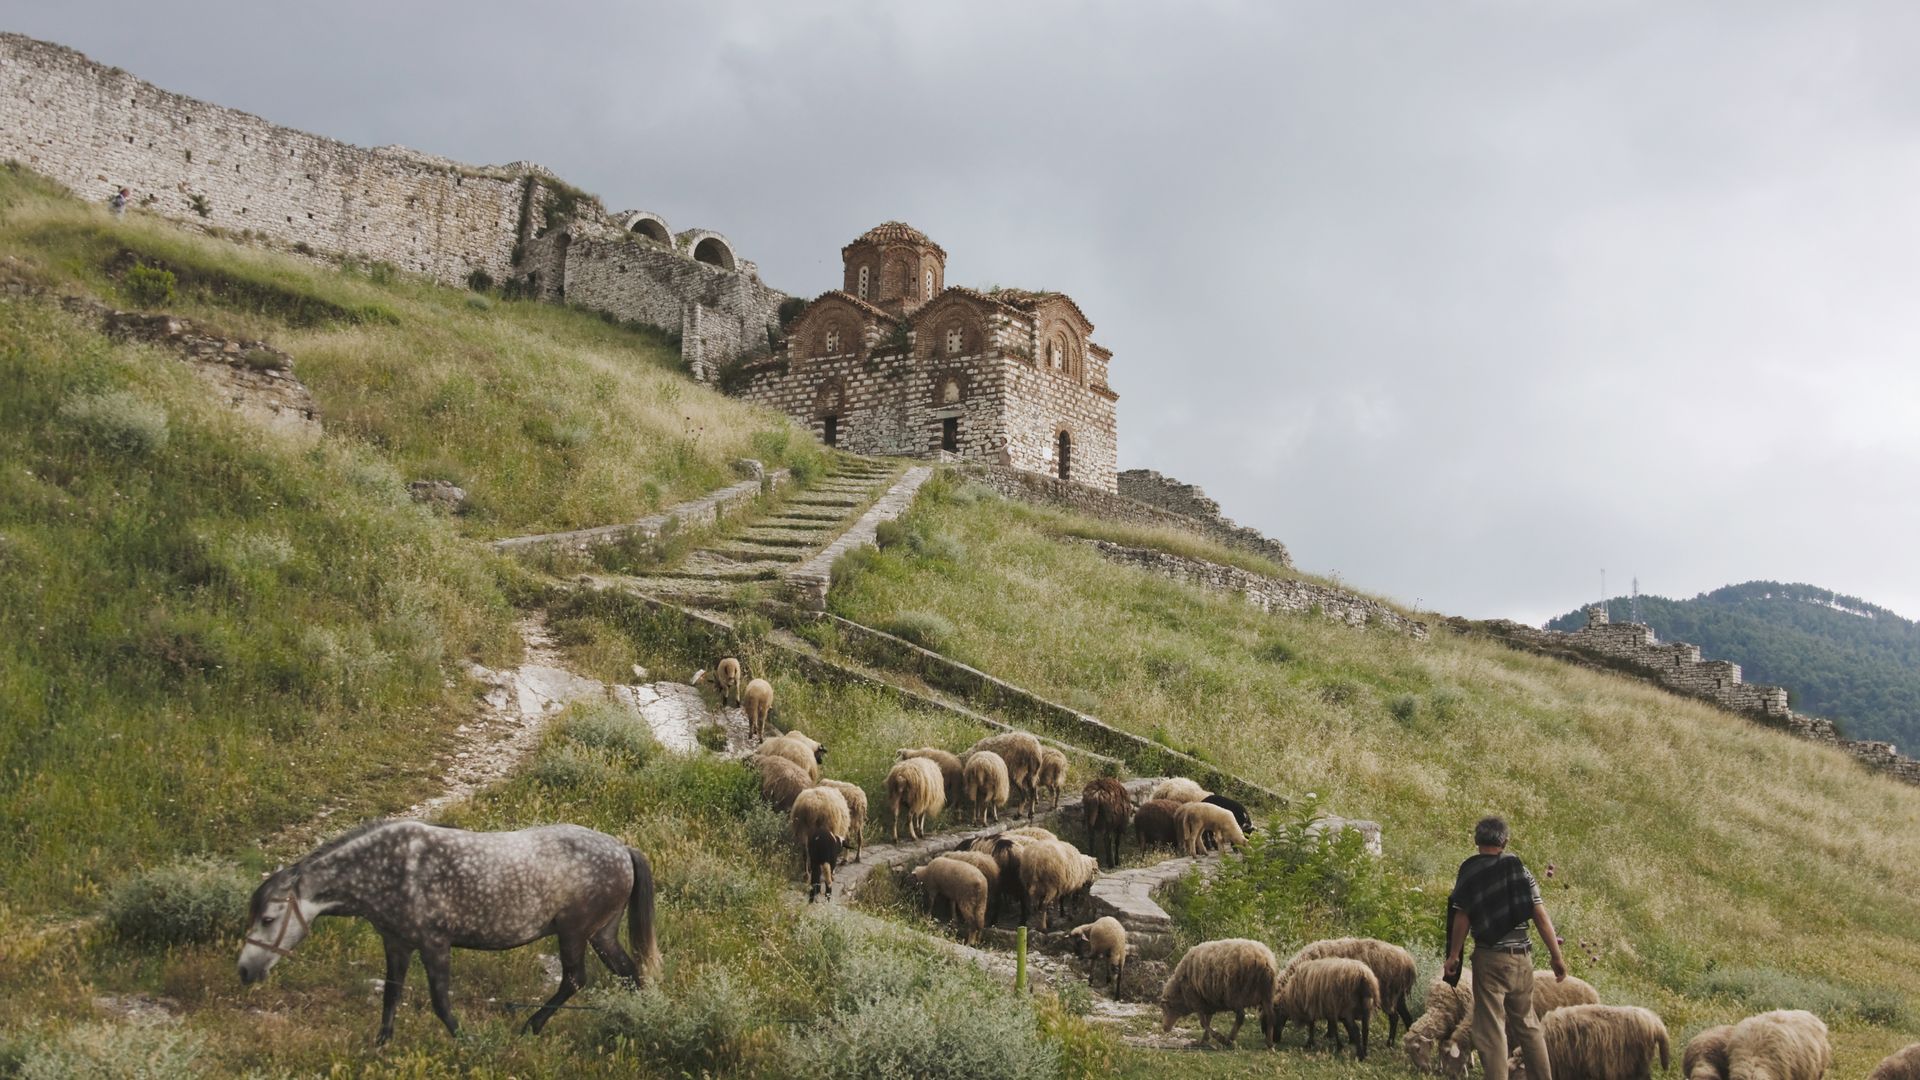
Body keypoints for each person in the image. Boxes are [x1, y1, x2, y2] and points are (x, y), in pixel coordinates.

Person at [1443, 815, 1567, 1080]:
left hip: (1490, 958)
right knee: (1528, 1024)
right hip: (1522, 960)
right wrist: (1556, 956)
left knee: (1491, 1028)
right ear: (1505, 841)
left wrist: (1454, 955)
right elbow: (1540, 915)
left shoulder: (1470, 872)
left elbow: (1462, 916)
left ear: (1476, 840)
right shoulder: (1520, 871)